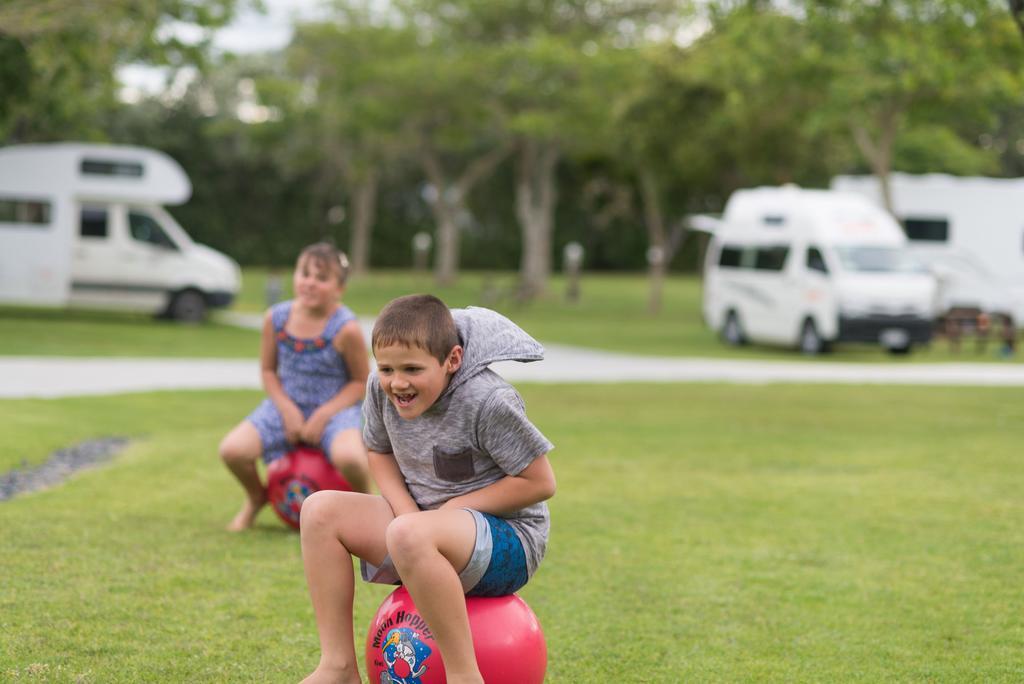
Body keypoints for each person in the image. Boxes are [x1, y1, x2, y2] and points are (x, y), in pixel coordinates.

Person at [299, 294, 556, 684]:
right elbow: (378, 451)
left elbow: (540, 482)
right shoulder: (379, 387)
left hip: (507, 544)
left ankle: (464, 677)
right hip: (421, 531)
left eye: (412, 369)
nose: (397, 382)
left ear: (451, 360)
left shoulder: (487, 401)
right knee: (319, 510)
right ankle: (338, 667)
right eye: (386, 368)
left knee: (409, 533)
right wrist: (408, 513)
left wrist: (450, 510)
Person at [219, 242, 371, 531]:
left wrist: (324, 415)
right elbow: (267, 371)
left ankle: (370, 507)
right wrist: (286, 409)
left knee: (350, 458)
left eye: (322, 278)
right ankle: (256, 497)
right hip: (285, 405)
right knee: (232, 451)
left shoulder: (346, 329)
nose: (310, 283)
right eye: (305, 274)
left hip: (335, 411)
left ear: (339, 288)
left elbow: (361, 382)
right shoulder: (276, 318)